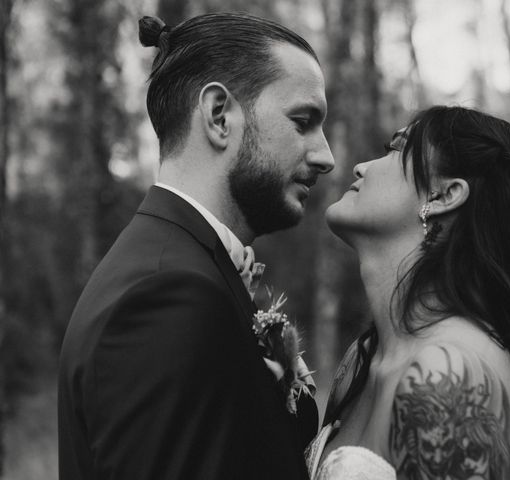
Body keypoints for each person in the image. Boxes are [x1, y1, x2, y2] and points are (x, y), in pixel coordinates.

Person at [58, 12, 334, 480]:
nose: (325, 156)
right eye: (302, 121)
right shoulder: (168, 296)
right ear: (218, 116)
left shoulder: (184, 267)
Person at [305, 106, 510, 479]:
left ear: (445, 195)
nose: (362, 166)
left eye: (395, 149)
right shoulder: (360, 361)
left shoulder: (448, 378)